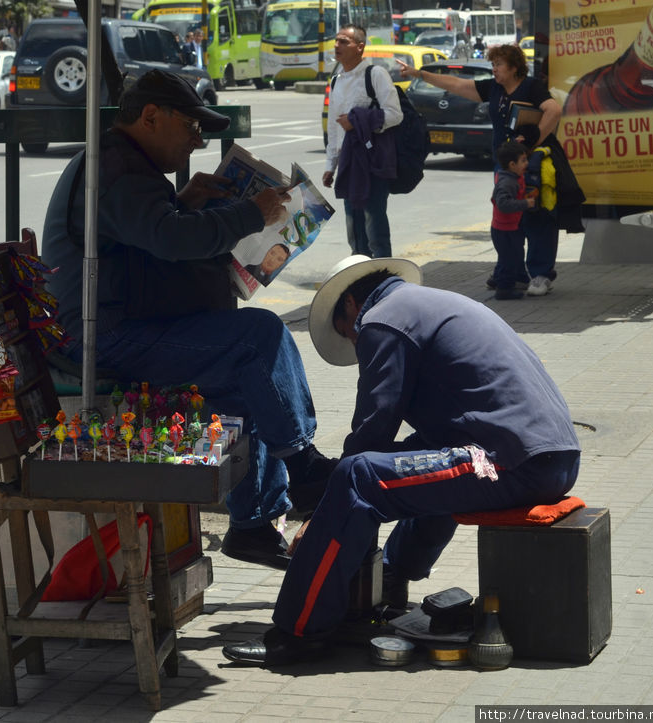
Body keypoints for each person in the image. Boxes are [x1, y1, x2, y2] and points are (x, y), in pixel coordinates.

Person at [221, 255, 581, 666]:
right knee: (410, 462)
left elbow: (374, 426)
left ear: (352, 306)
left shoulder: (382, 320)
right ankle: (391, 579)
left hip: (509, 461)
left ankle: (298, 632)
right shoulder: (425, 304)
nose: (358, 344)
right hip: (544, 456)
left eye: (349, 335)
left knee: (357, 477)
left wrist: (322, 512)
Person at [41, 70, 334, 571]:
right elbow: (169, 238)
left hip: (123, 326)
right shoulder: (114, 169)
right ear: (152, 117)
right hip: (104, 338)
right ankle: (303, 467)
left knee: (252, 377)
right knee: (258, 338)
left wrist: (184, 202)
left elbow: (146, 233)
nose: (198, 139)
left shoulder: (127, 168)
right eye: (191, 125)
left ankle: (254, 524)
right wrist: (248, 214)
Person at [398, 44, 562, 296]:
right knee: (508, 219)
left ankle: (541, 274)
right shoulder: (493, 88)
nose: (494, 69)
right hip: (504, 165)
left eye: (499, 64)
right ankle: (512, 271)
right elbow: (457, 85)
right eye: (493, 64)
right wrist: (420, 75)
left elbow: (554, 109)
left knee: (537, 217)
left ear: (514, 67)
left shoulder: (531, 87)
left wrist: (532, 142)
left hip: (531, 163)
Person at [323, 25, 403, 260]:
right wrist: (331, 165)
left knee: (374, 225)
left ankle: (384, 276)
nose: (337, 45)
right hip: (349, 163)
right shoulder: (337, 80)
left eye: (344, 41)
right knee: (353, 226)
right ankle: (360, 276)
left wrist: (358, 121)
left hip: (372, 162)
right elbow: (334, 126)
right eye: (336, 41)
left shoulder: (375, 74)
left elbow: (395, 115)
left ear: (360, 47)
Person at [491, 140, 536, 300]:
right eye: (523, 160)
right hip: (503, 230)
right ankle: (504, 289)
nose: (527, 163)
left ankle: (503, 281)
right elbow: (502, 204)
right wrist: (525, 203)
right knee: (508, 259)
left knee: (514, 255)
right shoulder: (507, 182)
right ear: (512, 164)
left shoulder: (515, 177)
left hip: (511, 227)